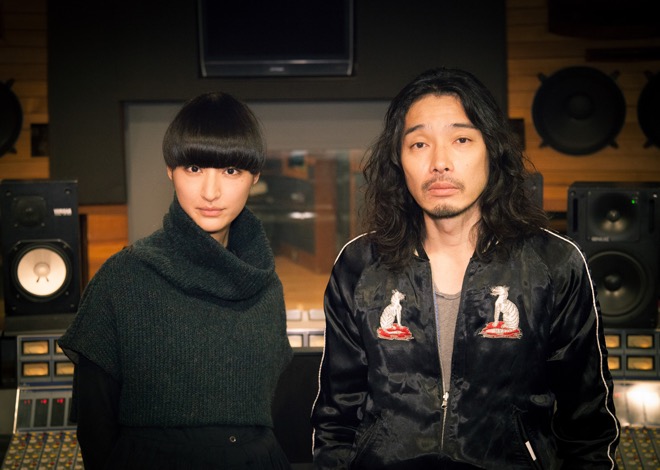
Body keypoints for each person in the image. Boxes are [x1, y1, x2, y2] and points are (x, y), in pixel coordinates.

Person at [311, 68, 620, 469]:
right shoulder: (359, 265)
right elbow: (336, 419)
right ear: (398, 161)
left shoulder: (554, 264)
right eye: (419, 144)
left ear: (491, 150)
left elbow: (588, 427)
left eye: (461, 140)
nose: (440, 162)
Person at [58, 92, 293, 469]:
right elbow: (94, 426)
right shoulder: (122, 279)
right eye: (195, 168)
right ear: (170, 170)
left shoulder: (266, 285)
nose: (211, 192)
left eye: (231, 171)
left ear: (255, 177)